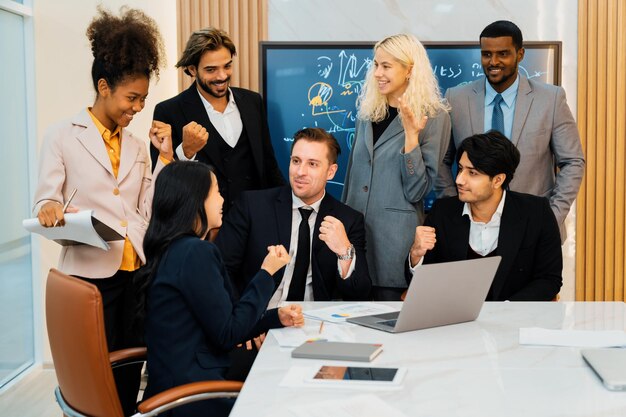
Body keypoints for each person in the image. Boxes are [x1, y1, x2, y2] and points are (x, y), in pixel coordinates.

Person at [32, 7, 171, 414]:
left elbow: (147, 208)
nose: (138, 108)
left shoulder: (135, 146)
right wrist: (50, 206)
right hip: (90, 278)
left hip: (136, 274)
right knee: (93, 375)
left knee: (131, 371)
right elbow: (46, 197)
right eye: (132, 98)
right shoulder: (61, 135)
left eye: (143, 99)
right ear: (104, 85)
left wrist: (164, 159)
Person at [136, 161, 303, 417]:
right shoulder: (196, 253)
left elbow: (222, 322)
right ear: (196, 199)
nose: (223, 199)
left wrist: (274, 318)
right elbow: (228, 334)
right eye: (216, 191)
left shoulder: (171, 248)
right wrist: (266, 272)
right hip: (195, 396)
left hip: (174, 388)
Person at [437, 20, 585, 241]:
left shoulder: (551, 99)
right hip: (472, 228)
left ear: (520, 54)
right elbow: (440, 160)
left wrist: (551, 217)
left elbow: (573, 162)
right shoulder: (456, 99)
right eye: (486, 54)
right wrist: (455, 210)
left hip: (534, 229)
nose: (493, 61)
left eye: (503, 54)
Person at [342, 34, 451, 301]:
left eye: (386, 66)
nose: (377, 73)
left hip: (393, 247)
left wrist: (412, 138)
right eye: (376, 65)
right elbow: (351, 177)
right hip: (352, 241)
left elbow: (418, 191)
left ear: (410, 69)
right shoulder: (367, 112)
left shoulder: (434, 117)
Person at [216, 127, 371, 305]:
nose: (300, 172)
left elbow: (360, 295)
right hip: (259, 318)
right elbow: (221, 271)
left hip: (315, 324)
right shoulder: (252, 206)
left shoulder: (348, 220)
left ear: (331, 172)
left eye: (312, 164)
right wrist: (243, 320)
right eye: (296, 161)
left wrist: (344, 251)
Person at [408, 132, 562, 301]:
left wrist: (507, 310)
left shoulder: (536, 212)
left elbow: (549, 279)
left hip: (514, 321)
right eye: (460, 169)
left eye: (472, 173)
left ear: (498, 180)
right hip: (456, 320)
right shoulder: (443, 211)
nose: (459, 180)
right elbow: (423, 282)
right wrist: (416, 255)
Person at [151, 27, 285, 213]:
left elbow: (269, 166)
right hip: (204, 227)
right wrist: (186, 152)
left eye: (227, 66)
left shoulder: (253, 102)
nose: (222, 76)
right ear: (192, 70)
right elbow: (162, 185)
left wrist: (287, 210)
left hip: (256, 221)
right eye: (211, 69)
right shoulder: (168, 111)